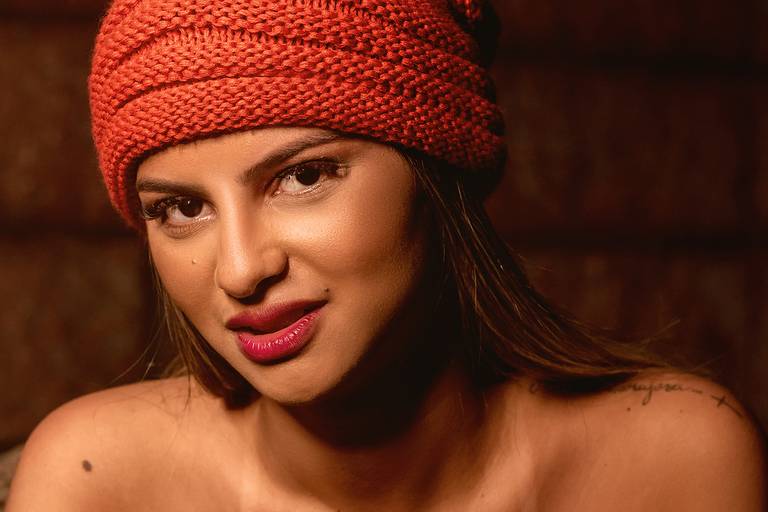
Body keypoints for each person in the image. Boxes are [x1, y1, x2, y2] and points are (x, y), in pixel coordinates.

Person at [7, 0, 766, 510]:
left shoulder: (675, 461)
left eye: (304, 177)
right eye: (181, 209)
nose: (240, 270)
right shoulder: (98, 480)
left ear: (436, 173)